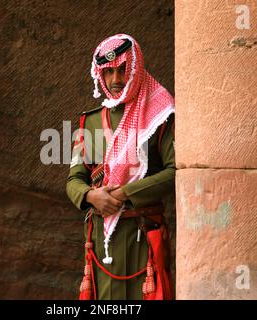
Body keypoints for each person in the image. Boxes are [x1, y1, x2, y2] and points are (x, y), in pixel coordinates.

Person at [66, 34, 175, 300]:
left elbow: (175, 172)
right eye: (108, 72)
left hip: (144, 233)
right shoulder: (88, 123)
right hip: (102, 241)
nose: (115, 80)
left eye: (123, 70)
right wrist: (92, 196)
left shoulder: (161, 116)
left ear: (135, 68)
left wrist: (125, 193)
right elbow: (74, 179)